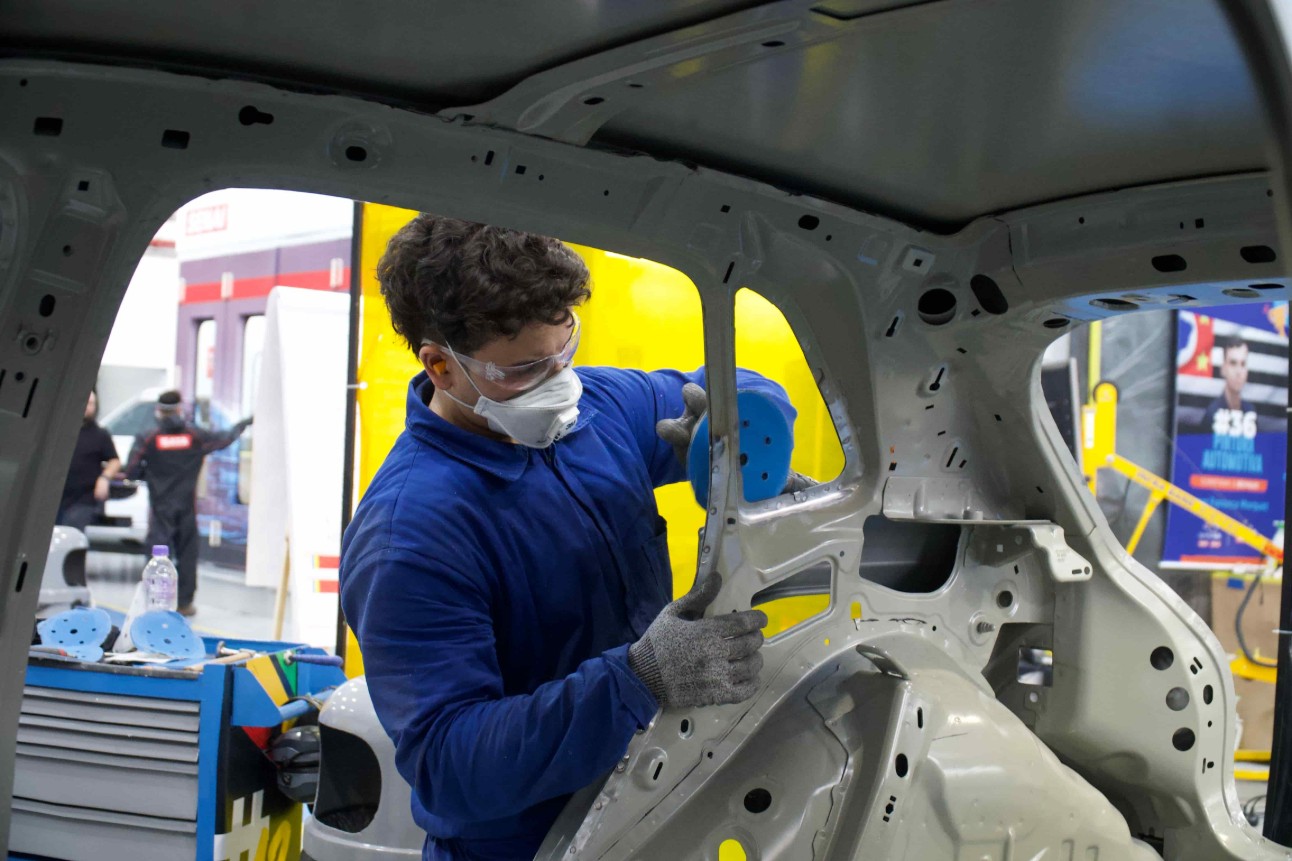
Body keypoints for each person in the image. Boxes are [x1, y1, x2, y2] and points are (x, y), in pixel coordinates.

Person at [340, 215, 797, 861]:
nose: (559, 383)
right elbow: (450, 763)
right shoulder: (411, 533)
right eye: (526, 369)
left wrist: (734, 428)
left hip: (653, 806)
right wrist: (639, 679)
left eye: (566, 350)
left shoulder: (601, 406)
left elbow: (733, 385)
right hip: (530, 845)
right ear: (441, 365)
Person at [122, 390, 251, 615]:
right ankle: (184, 604)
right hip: (186, 507)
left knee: (157, 557)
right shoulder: (194, 437)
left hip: (160, 508)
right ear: (180, 410)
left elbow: (131, 470)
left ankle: (153, 603)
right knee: (187, 556)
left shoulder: (148, 437)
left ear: (158, 411)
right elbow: (225, 438)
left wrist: (149, 475)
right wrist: (247, 422)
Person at [56, 389, 120, 533]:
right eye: (85, 403)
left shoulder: (100, 434)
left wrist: (104, 478)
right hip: (57, 495)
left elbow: (114, 460)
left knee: (71, 532)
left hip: (83, 498)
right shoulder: (60, 432)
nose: (87, 406)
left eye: (91, 403)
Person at [1201, 335, 1257, 438]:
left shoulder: (1250, 412)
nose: (1238, 372)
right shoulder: (1212, 413)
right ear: (1223, 369)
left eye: (1243, 364)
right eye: (1233, 363)